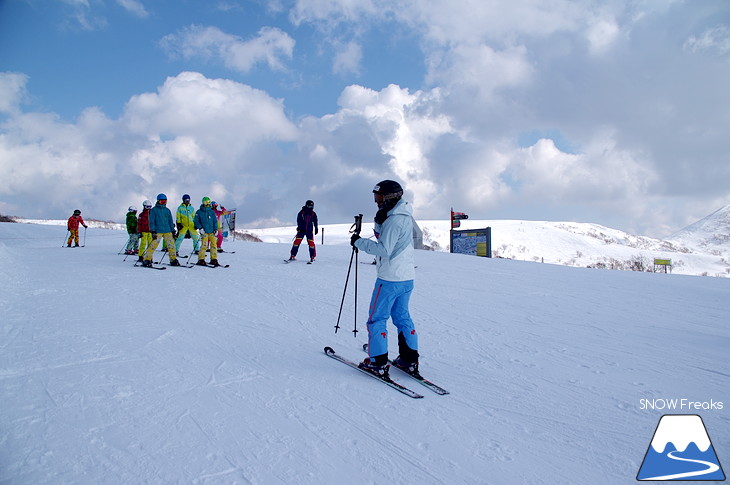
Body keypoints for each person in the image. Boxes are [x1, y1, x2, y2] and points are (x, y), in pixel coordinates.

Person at [350, 180, 419, 378]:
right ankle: (409, 360)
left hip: (389, 279)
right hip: (406, 277)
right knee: (402, 317)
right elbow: (389, 239)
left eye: (378, 197)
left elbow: (383, 249)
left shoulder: (393, 221)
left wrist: (359, 242)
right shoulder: (402, 215)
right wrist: (379, 221)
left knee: (376, 319)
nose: (376, 201)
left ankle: (378, 363)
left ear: (389, 197)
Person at [142, 193, 180, 267]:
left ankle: (173, 259)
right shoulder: (154, 210)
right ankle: (147, 259)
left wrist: (173, 230)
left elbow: (170, 221)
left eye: (165, 201)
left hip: (167, 230)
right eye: (162, 201)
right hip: (157, 231)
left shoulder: (167, 210)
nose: (164, 202)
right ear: (158, 201)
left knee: (171, 246)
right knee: (153, 245)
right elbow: (151, 221)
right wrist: (153, 231)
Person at [194, 197, 221, 266]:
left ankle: (213, 259)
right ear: (203, 203)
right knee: (204, 245)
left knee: (214, 245)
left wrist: (216, 229)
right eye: (206, 202)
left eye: (208, 202)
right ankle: (201, 259)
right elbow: (196, 221)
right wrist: (200, 228)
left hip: (211, 231)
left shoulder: (211, 212)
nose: (207, 204)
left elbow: (215, 221)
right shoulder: (199, 212)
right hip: (204, 231)